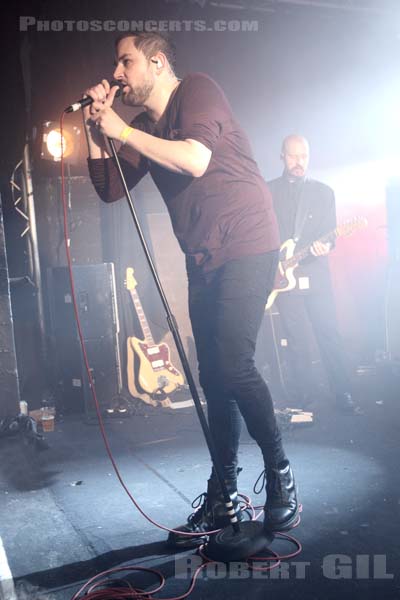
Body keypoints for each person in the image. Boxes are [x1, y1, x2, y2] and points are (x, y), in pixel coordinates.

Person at [83, 32, 298, 547]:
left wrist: (122, 133)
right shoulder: (139, 127)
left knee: (232, 362)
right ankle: (224, 492)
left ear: (157, 63)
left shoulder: (197, 90)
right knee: (211, 377)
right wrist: (97, 131)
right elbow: (110, 190)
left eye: (126, 61)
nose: (117, 73)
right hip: (202, 256)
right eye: (117, 64)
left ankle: (281, 474)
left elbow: (195, 159)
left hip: (249, 241)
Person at [267, 135, 359, 414]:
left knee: (328, 332)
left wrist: (325, 245)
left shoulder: (323, 192)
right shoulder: (268, 191)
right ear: (282, 156)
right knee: (296, 339)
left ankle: (343, 392)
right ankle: (303, 396)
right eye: (294, 156)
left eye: (304, 156)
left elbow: (331, 235)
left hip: (315, 273)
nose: (299, 162)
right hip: (284, 278)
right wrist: (275, 264)